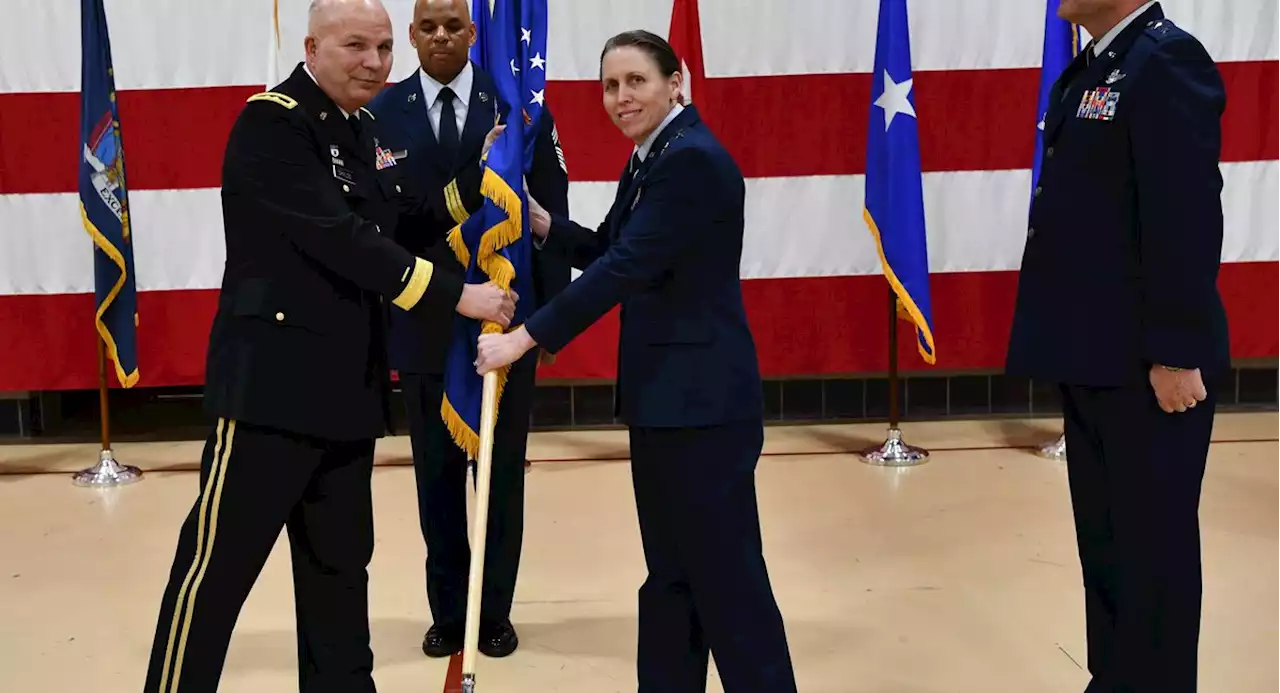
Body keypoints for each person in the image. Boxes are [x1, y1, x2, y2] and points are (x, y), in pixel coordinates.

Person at [141, 1, 513, 691]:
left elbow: (406, 216)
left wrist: (484, 172)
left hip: (346, 395)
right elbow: (342, 238)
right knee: (216, 575)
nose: (374, 62)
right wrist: (455, 295)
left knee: (339, 583)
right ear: (312, 46)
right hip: (270, 396)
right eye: (355, 47)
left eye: (381, 48)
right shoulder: (271, 123)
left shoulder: (359, 129)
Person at [473, 30, 797, 693]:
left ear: (674, 81)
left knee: (727, 581)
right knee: (672, 575)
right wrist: (539, 222)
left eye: (635, 81)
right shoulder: (655, 156)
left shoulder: (693, 162)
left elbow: (625, 267)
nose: (620, 98)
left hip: (703, 407)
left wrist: (522, 337)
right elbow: (610, 246)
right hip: (665, 402)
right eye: (609, 86)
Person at [1005, 2, 1229, 691]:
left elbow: (1186, 211)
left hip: (1147, 363)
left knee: (1152, 560)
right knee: (1107, 553)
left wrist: (1176, 349)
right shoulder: (1094, 66)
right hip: (1094, 355)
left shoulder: (1165, 62)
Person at [365, 0, 571, 659]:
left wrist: (545, 322)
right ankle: (449, 612)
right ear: (412, 35)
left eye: (454, 25)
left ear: (474, 33)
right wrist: (470, 177)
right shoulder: (379, 114)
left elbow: (550, 212)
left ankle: (494, 610)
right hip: (426, 322)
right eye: (428, 26)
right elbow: (390, 227)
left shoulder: (517, 106)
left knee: (501, 477)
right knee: (436, 479)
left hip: (505, 331)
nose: (442, 37)